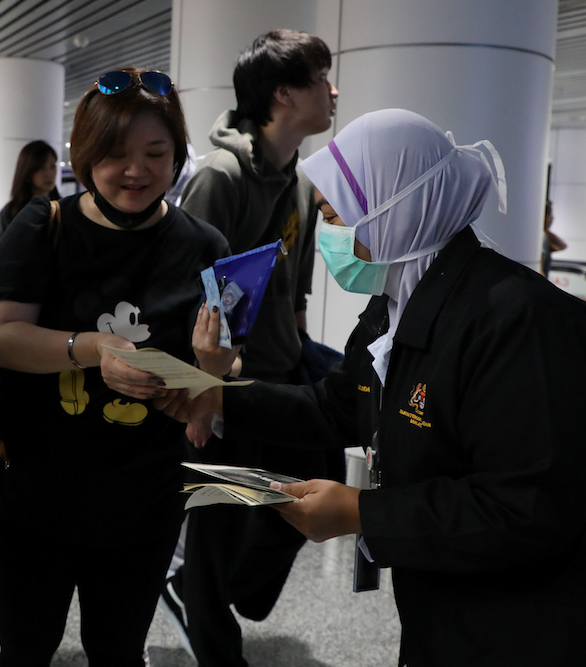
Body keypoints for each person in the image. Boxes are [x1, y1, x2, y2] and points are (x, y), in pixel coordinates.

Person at [170, 108, 586, 665]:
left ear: (394, 204)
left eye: (334, 214)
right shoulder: (396, 304)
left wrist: (364, 513)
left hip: (524, 620)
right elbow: (336, 404)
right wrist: (215, 397)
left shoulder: (517, 320)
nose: (328, 236)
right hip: (443, 594)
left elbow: (525, 506)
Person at [0, 67, 229, 666]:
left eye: (156, 152)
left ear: (178, 156)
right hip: (31, 495)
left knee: (118, 651)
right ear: (83, 155)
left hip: (144, 499)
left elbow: (214, 375)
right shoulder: (42, 226)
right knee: (26, 648)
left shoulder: (206, 247)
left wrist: (213, 373)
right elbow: (0, 335)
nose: (136, 170)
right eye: (115, 153)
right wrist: (94, 349)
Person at [164, 29, 343, 665]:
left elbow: (294, 292)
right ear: (281, 95)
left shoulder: (297, 179)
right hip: (227, 382)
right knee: (216, 522)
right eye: (322, 79)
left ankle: (223, 591)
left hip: (280, 374)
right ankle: (215, 642)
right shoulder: (222, 176)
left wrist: (297, 357)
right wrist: (206, 392)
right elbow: (189, 294)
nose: (334, 90)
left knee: (313, 484)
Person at [0, 139, 60, 256]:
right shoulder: (11, 212)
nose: (49, 173)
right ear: (27, 171)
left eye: (52, 166)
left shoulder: (63, 209)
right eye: (41, 168)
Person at [540, 199, 566, 275]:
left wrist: (546, 230)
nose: (552, 218)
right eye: (550, 214)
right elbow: (540, 269)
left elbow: (562, 246)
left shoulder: (545, 235)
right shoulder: (542, 237)